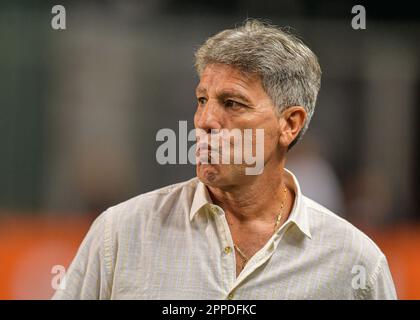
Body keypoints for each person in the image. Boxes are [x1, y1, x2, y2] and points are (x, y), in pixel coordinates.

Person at [52, 19, 397, 299]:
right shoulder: (121, 234)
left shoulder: (355, 264)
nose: (205, 121)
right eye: (202, 100)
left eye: (232, 103)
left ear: (290, 124)